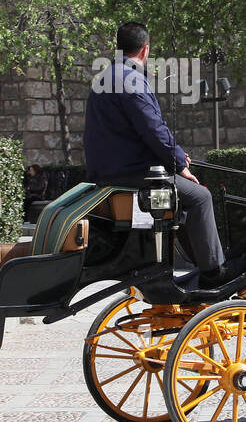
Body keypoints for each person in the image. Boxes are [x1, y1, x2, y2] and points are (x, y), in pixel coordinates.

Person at [83, 22, 230, 286]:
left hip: (108, 171)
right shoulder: (132, 79)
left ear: (117, 48)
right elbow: (152, 128)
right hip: (133, 173)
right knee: (201, 197)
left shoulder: (104, 78)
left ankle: (196, 263)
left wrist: (176, 157)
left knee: (184, 202)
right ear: (145, 50)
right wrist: (179, 162)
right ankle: (213, 273)